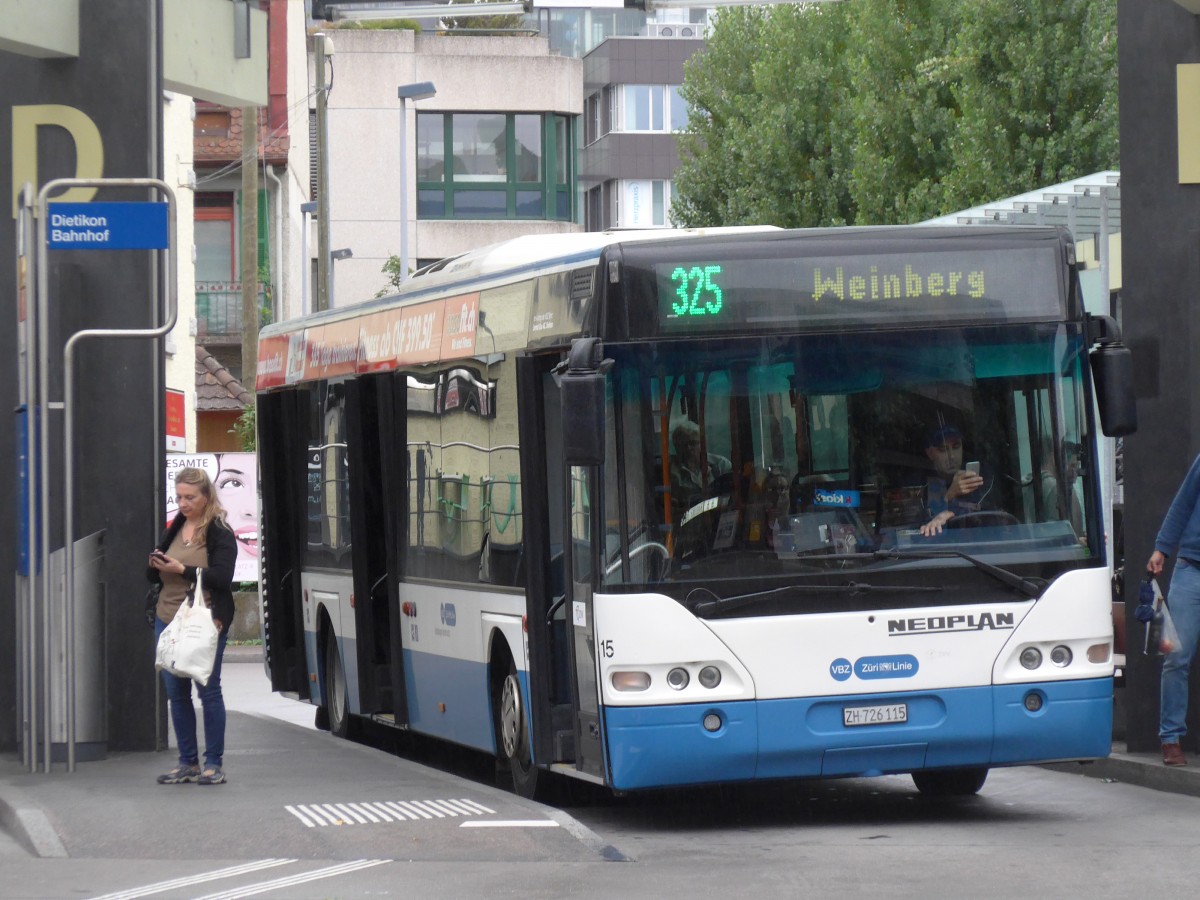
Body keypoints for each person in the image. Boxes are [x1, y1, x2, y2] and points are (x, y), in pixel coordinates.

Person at [147, 466, 238, 786]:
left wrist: (182, 569)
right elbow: (156, 576)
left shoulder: (219, 531)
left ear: (206, 496)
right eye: (179, 497)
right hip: (168, 620)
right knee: (176, 694)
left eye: (190, 497)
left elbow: (222, 578)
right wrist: (155, 565)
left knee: (208, 691)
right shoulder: (176, 526)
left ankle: (213, 764)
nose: (183, 503)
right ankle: (188, 762)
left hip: (205, 621)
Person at [1147, 453, 1200, 767]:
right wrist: (1162, 548)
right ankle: (1170, 737)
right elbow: (1183, 502)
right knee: (1176, 656)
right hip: (1191, 568)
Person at [919, 424, 990, 536]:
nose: (951, 456)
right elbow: (925, 527)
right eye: (943, 449)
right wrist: (950, 495)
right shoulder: (922, 486)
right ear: (930, 453)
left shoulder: (981, 480)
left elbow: (991, 519)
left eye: (956, 447)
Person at [670, 420, 732, 512]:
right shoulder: (671, 473)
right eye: (683, 444)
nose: (688, 448)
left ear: (702, 443)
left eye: (692, 443)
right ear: (676, 447)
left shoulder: (721, 465)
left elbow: (733, 495)